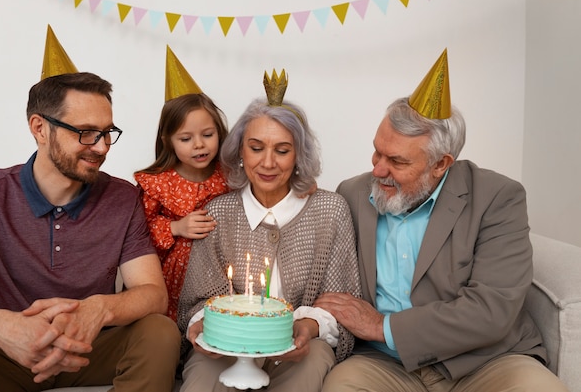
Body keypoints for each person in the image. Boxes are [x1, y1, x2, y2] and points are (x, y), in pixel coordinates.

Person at [315, 49, 568, 391]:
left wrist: (381, 326)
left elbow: (491, 311)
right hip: (386, 363)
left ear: (441, 164)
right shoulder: (352, 193)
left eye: (397, 161)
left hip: (484, 361)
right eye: (377, 151)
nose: (377, 169)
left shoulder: (498, 197)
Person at [0, 27, 181, 392]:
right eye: (86, 132)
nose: (103, 147)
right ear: (40, 128)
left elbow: (153, 294)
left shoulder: (122, 198)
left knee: (159, 332)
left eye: (108, 132)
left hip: (87, 349)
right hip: (5, 355)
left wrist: (98, 309)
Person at [177, 70, 362, 392]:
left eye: (282, 150)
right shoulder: (218, 213)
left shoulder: (330, 211)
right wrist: (201, 324)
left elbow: (342, 300)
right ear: (240, 152)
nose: (267, 163)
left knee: (309, 365)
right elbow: (196, 301)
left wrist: (309, 326)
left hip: (302, 343)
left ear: (299, 155)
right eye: (256, 147)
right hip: (228, 343)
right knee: (203, 381)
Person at [134, 46, 229, 323]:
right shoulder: (158, 183)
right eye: (186, 139)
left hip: (221, 270)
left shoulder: (230, 175)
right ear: (168, 141)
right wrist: (176, 227)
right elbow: (138, 234)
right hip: (174, 279)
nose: (199, 145)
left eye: (207, 134)